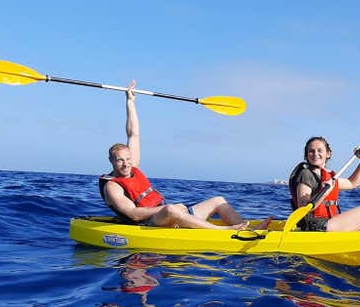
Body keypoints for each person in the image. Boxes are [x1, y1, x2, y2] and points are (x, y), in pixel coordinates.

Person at [99, 81, 249, 229]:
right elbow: (134, 214)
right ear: (111, 161)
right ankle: (223, 231)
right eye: (120, 160)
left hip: (171, 217)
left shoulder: (133, 166)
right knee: (170, 209)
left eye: (127, 159)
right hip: (149, 224)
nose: (126, 164)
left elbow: (133, 134)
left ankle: (246, 230)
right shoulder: (112, 187)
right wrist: (171, 209)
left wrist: (130, 102)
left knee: (218, 200)